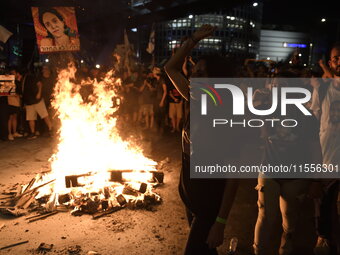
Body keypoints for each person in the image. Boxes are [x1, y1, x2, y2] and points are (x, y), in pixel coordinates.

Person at [165, 24, 239, 255]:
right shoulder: (196, 99)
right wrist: (193, 40)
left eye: (201, 73)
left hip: (209, 202)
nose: (194, 76)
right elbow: (170, 67)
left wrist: (220, 222)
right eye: (194, 72)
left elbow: (234, 177)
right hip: (190, 194)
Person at [252, 71, 323, 255]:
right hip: (269, 169)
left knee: (289, 217)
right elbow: (259, 128)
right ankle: (259, 250)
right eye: (275, 86)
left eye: (283, 86)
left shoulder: (307, 116)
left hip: (296, 175)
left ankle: (287, 241)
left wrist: (316, 180)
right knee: (266, 215)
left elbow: (315, 150)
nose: (278, 90)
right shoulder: (267, 109)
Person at [309, 42, 340, 255]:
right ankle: (324, 239)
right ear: (330, 62)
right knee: (324, 206)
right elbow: (314, 125)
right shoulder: (322, 88)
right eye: (336, 58)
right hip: (328, 159)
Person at [23, 71, 53, 139]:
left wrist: (39, 93)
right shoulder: (21, 81)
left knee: (45, 116)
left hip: (37, 100)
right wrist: (24, 102)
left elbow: (39, 84)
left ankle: (51, 130)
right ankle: (33, 133)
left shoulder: (30, 77)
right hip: (29, 102)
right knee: (30, 118)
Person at [7, 68, 24, 140]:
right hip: (10, 102)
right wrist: (16, 95)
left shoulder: (17, 81)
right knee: (10, 117)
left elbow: (20, 91)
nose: (13, 74)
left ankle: (14, 132)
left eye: (14, 73)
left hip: (16, 102)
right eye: (12, 73)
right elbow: (7, 92)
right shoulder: (8, 80)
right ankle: (9, 134)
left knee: (15, 117)